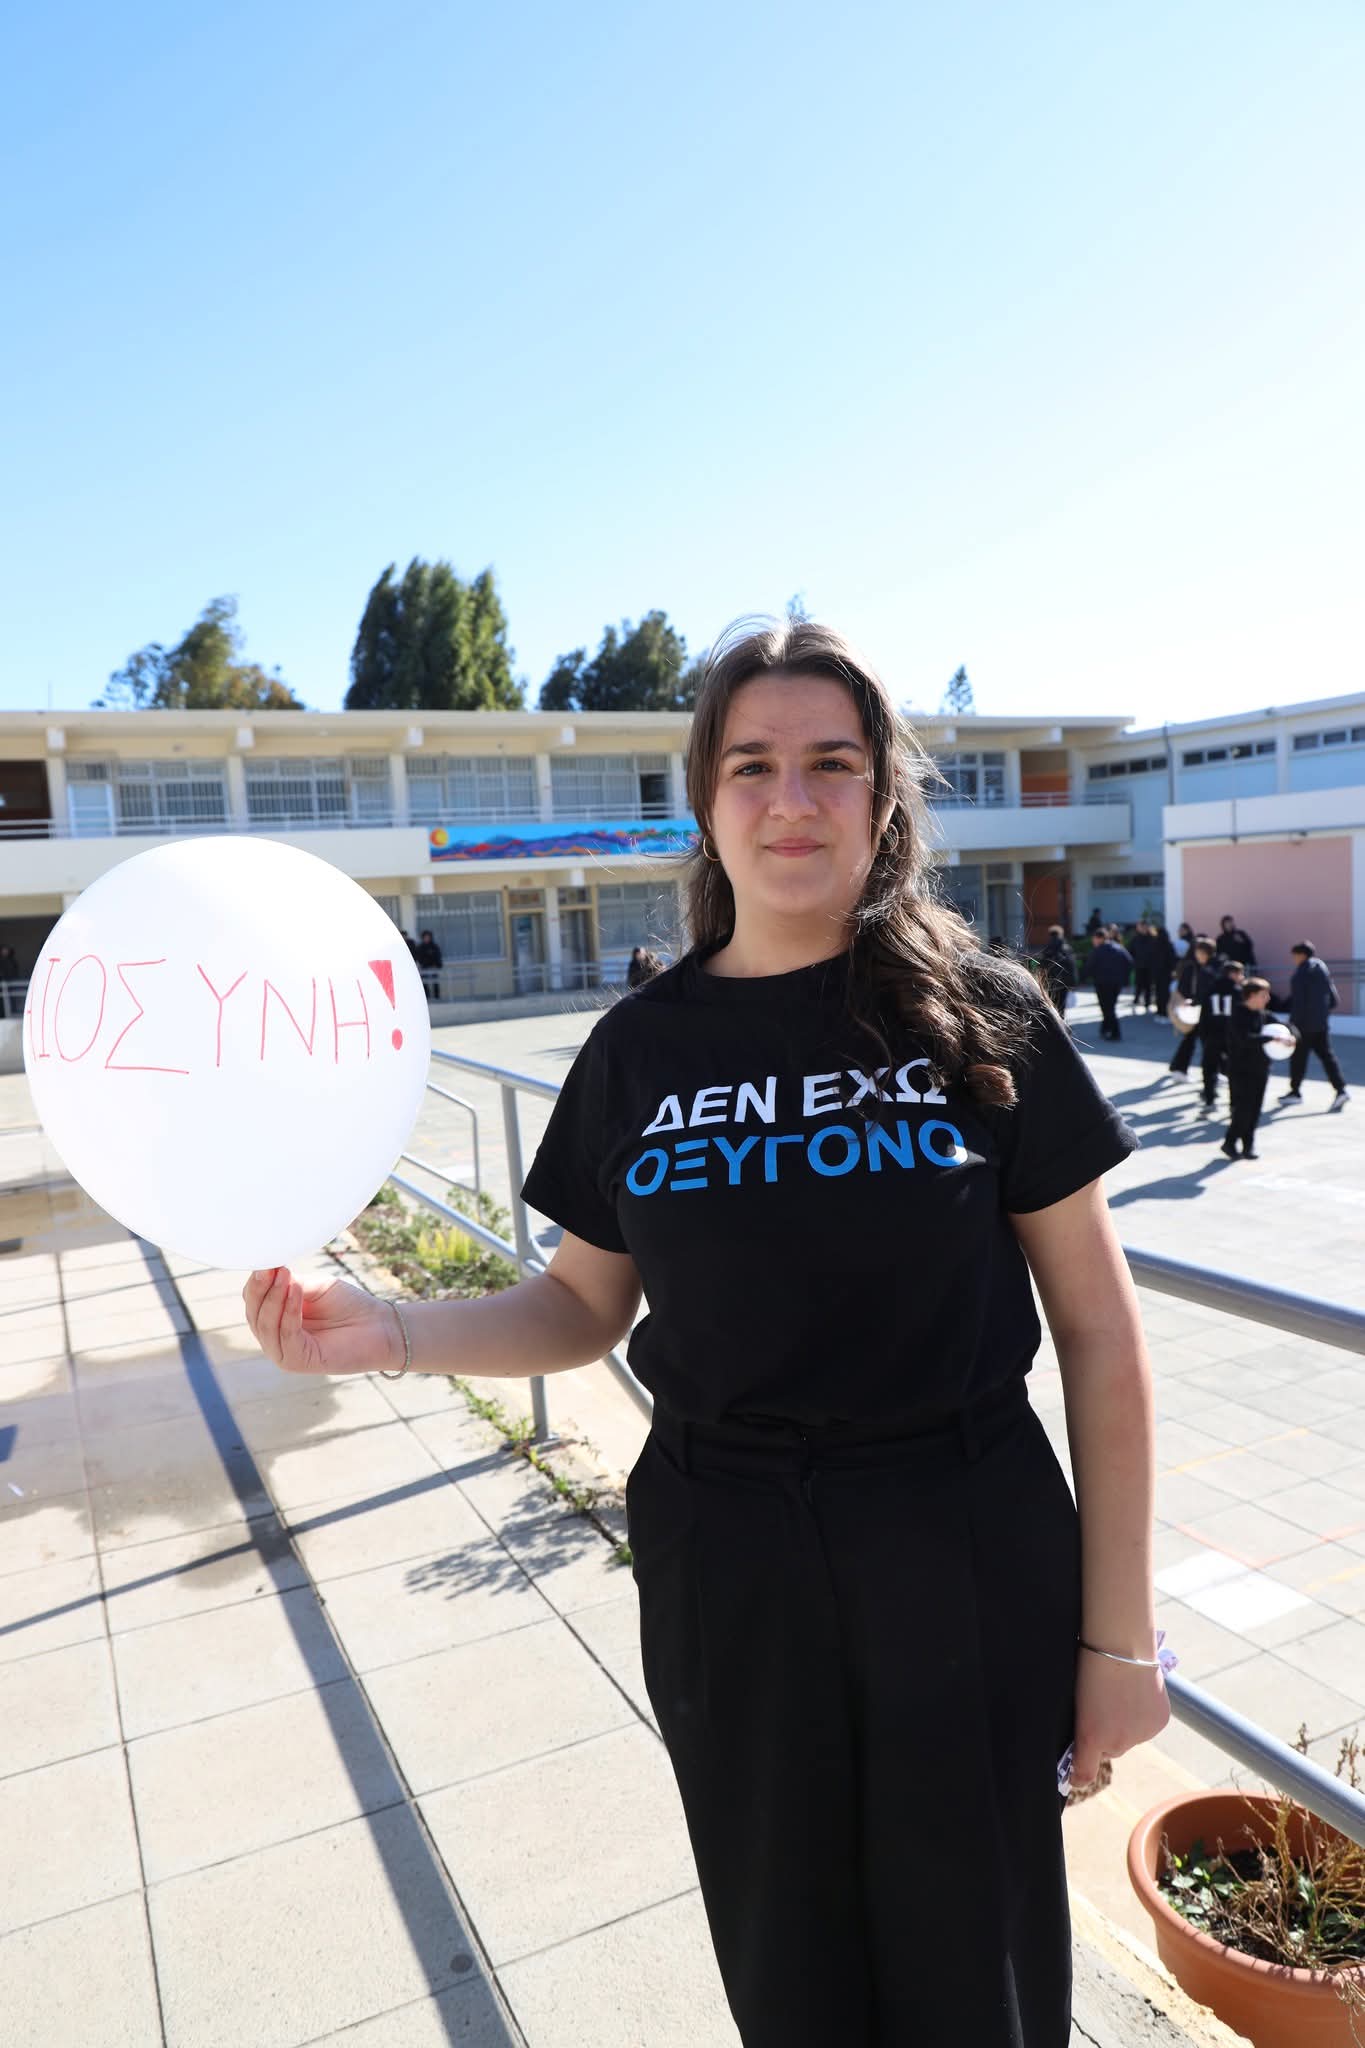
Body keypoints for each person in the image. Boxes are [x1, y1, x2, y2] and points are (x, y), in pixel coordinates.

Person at [242, 618, 1169, 2048]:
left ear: (884, 797)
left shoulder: (986, 1016)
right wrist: (390, 1332)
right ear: (706, 797)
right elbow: (578, 1304)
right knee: (786, 1960)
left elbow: (1099, 1333)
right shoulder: (639, 1051)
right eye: (753, 765)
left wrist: (1118, 1644)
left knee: (971, 1968)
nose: (792, 800)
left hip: (963, 1548)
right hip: (727, 1563)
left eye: (832, 763)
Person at [1276, 942, 1349, 1110]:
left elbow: (1299, 1003)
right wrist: (1322, 1014)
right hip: (1320, 1023)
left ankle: (1295, 1092)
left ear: (1301, 955)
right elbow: (1333, 999)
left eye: (1294, 956)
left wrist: (1293, 1024)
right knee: (1327, 1057)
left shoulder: (1301, 973)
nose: (1294, 959)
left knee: (1298, 1059)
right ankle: (1341, 1090)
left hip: (1303, 1025)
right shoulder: (1322, 969)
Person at [1221, 978, 1274, 1159]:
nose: (1267, 998)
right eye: (1263, 995)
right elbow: (1246, 1039)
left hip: (1261, 1069)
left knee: (1255, 1110)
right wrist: (1271, 1038)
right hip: (1241, 1071)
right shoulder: (1238, 1015)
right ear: (1251, 996)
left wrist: (1291, 1036)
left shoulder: (1264, 1014)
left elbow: (1288, 1027)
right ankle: (1229, 1143)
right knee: (1243, 1109)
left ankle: (1248, 1146)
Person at [1198, 956, 1245, 1112]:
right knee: (1234, 1070)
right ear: (1232, 974)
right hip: (1232, 1037)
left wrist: (1203, 1037)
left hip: (1212, 1035)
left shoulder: (1211, 989)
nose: (1242, 977)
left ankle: (1209, 1100)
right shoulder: (1238, 992)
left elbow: (1203, 1016)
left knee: (1209, 1068)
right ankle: (1234, 1103)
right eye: (1240, 974)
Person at [1167, 938, 1216, 1078]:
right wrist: (1191, 1002)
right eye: (1198, 952)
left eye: (1202, 953)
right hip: (1196, 1010)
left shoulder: (1213, 968)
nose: (1199, 955)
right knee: (1198, 1040)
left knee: (1205, 1042)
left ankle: (1179, 1067)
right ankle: (1180, 1068)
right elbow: (1184, 987)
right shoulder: (1192, 967)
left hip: (1207, 1010)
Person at [1087, 925, 1133, 1041]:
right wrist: (1124, 978)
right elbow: (1129, 962)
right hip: (1116, 983)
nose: (1093, 942)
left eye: (1094, 939)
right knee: (1110, 1006)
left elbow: (1089, 967)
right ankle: (1105, 1028)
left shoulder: (1097, 951)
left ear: (1100, 938)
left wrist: (1081, 980)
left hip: (1102, 983)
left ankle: (1115, 1033)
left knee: (1107, 1008)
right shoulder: (1119, 948)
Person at [1038, 924, 1077, 1017]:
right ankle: (1061, 1020)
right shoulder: (1066, 948)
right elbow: (1071, 966)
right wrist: (1073, 982)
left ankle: (1054, 1021)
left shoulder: (1047, 949)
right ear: (1061, 934)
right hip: (1064, 982)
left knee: (1052, 1005)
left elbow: (1042, 965)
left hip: (1050, 982)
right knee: (1062, 1005)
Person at [1129, 921, 1155, 1013]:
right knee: (1138, 984)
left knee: (1148, 985)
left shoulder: (1152, 938)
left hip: (1149, 966)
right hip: (1139, 965)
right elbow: (1130, 952)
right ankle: (1136, 1000)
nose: (1143, 929)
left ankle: (1147, 1003)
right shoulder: (1135, 939)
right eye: (1141, 927)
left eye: (1145, 926)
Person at [1149, 924, 1176, 1012]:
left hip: (1157, 973)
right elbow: (1172, 959)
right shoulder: (1169, 945)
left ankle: (1160, 1010)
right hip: (1166, 973)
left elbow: (1151, 959)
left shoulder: (1154, 944)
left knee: (1158, 992)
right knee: (1165, 993)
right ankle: (1165, 1010)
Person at [414, 928, 443, 1000]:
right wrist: (424, 962)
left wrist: (437, 964)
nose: (427, 938)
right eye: (425, 937)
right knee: (424, 983)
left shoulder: (434, 946)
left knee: (435, 982)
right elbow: (419, 957)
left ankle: (436, 997)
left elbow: (438, 956)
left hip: (433, 967)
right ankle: (427, 997)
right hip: (424, 967)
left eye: (428, 937)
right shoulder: (420, 947)